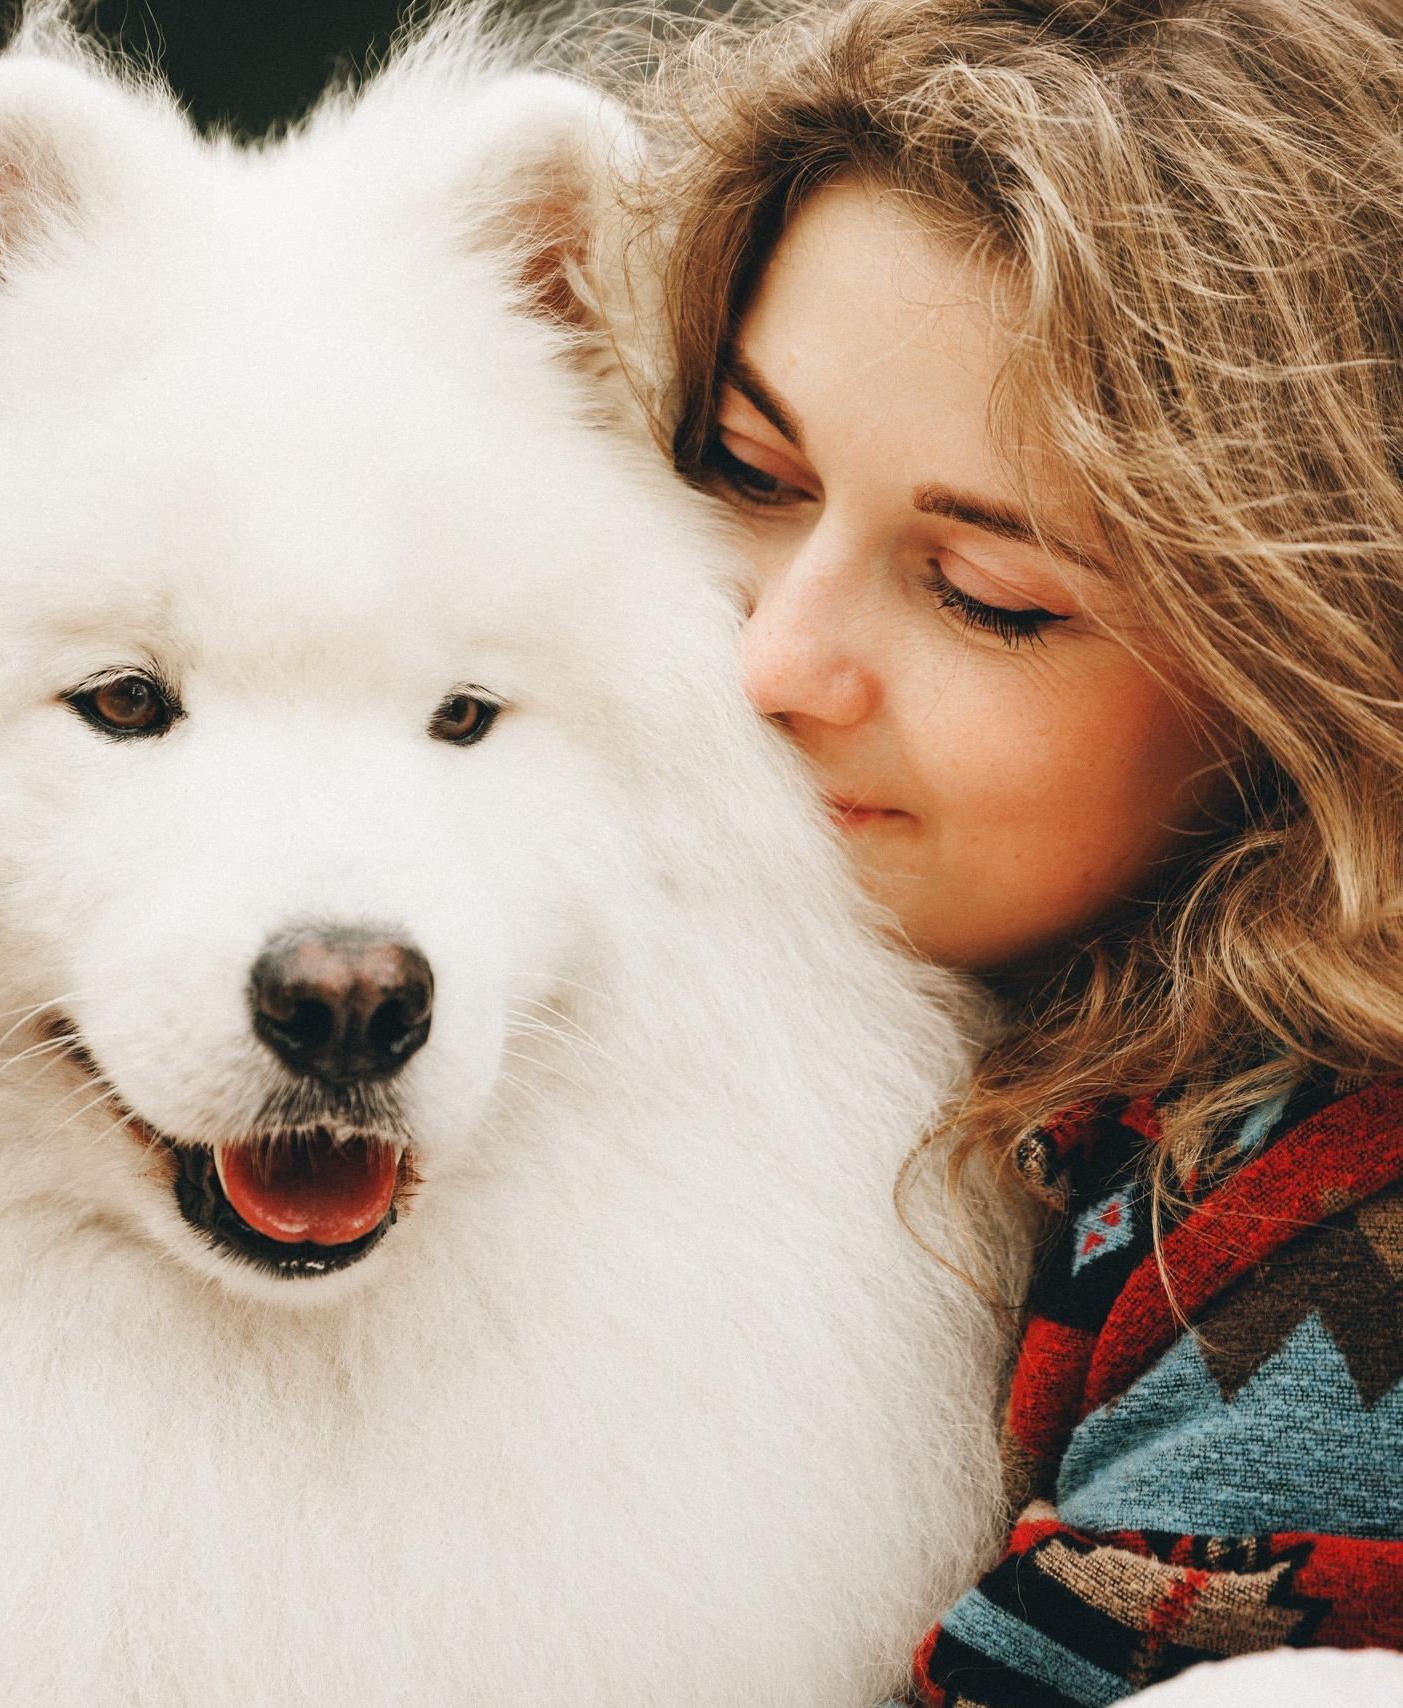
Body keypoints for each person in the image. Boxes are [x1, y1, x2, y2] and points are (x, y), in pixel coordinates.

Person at [618, 0, 1403, 1699]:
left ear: (1309, 683)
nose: (771, 663)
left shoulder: (1333, 1256)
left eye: (990, 598)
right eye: (744, 468)